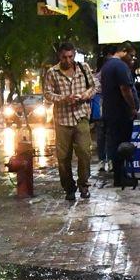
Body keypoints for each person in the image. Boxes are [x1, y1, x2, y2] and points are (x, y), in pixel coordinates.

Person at [41, 40, 98, 202]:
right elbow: (47, 94)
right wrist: (64, 99)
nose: (68, 60)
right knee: (63, 157)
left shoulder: (83, 68)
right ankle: (69, 187)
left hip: (81, 116)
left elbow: (94, 87)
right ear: (60, 56)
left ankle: (84, 184)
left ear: (74, 55)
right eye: (65, 57)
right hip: (62, 119)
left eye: (70, 56)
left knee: (85, 152)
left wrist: (86, 95)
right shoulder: (53, 73)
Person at [97, 43, 138, 188]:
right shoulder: (120, 66)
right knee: (121, 145)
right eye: (131, 56)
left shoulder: (107, 66)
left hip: (110, 111)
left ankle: (119, 175)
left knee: (114, 143)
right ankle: (121, 176)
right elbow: (125, 88)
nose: (132, 59)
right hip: (120, 112)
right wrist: (133, 107)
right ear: (123, 52)